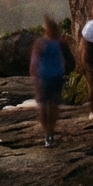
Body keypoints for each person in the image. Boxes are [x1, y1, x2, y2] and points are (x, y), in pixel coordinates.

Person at [30, 16, 67, 147]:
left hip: (53, 77)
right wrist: (34, 77)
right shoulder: (42, 43)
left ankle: (50, 133)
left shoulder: (57, 42)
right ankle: (48, 133)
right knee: (46, 107)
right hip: (45, 78)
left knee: (51, 107)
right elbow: (34, 62)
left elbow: (62, 58)